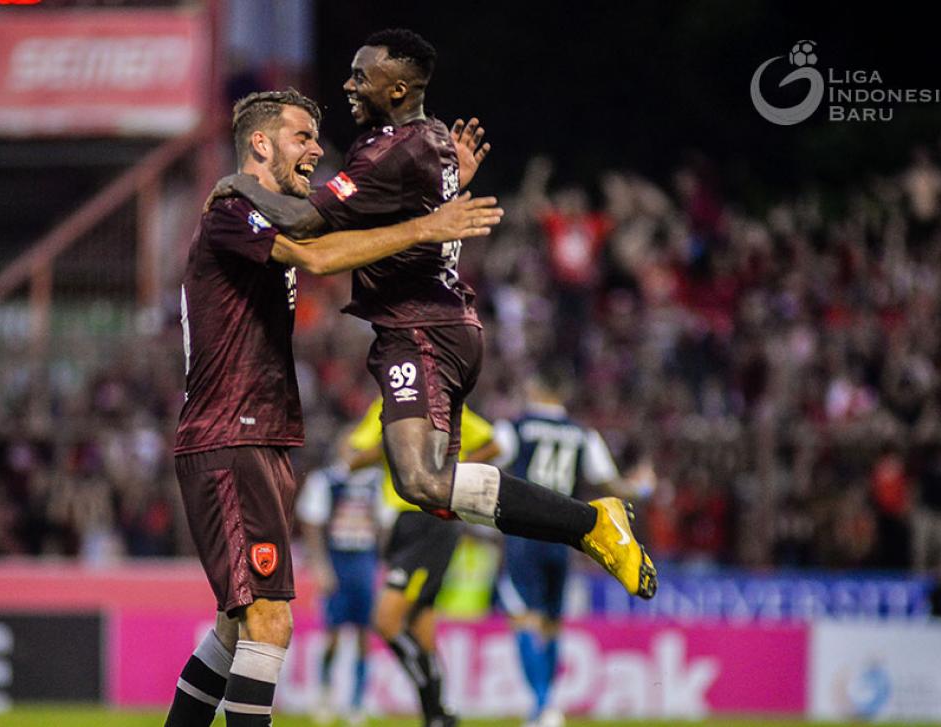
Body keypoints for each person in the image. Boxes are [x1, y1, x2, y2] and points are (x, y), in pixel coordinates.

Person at [214, 29, 657, 601]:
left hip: (420, 329)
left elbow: (303, 223)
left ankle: (593, 525)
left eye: (360, 76)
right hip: (442, 324)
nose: (348, 85)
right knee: (437, 493)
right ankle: (586, 528)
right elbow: (403, 203)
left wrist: (236, 186)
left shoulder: (388, 150)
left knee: (422, 481)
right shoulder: (433, 140)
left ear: (396, 88)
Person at [164, 88, 502, 727]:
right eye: (302, 136)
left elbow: (364, 233)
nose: (318, 149)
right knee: (270, 621)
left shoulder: (277, 213)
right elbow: (321, 256)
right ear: (260, 143)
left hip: (257, 436)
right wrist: (431, 224)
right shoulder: (236, 209)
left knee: (235, 631)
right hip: (231, 435)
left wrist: (438, 194)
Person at [492, 369, 655, 727]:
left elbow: (489, 461)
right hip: (563, 539)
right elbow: (611, 484)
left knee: (523, 618)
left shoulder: (514, 427)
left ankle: (541, 705)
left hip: (523, 536)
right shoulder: (584, 435)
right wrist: (643, 488)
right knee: (552, 623)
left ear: (535, 388)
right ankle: (547, 709)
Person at [347, 397, 501, 727]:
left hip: (430, 520)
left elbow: (492, 445)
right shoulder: (385, 404)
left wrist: (450, 478)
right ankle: (437, 714)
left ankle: (435, 703)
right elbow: (353, 456)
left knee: (386, 620)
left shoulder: (440, 405)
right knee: (421, 622)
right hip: (405, 522)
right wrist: (390, 450)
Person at [296, 457, 384, 726]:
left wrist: (379, 562)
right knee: (332, 634)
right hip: (338, 560)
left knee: (364, 634)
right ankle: (324, 694)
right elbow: (311, 522)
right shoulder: (327, 480)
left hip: (364, 560)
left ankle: (357, 703)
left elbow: (384, 523)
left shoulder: (376, 481)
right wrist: (321, 565)